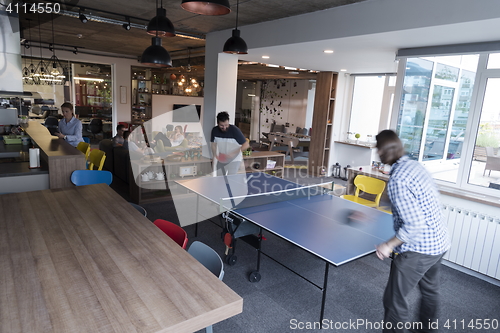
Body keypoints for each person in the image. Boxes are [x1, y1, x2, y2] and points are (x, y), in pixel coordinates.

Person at [374, 130, 450, 333]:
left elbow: (414, 225)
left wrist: (388, 244)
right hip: (439, 242)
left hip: (418, 249)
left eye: (377, 148)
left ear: (383, 150)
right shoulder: (414, 165)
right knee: (430, 291)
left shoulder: (398, 179)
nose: (376, 152)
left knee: (394, 300)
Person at [211, 111, 250, 175]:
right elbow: (213, 144)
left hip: (234, 159)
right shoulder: (214, 131)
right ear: (217, 123)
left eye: (226, 125)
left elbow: (246, 145)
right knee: (219, 178)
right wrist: (215, 155)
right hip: (222, 158)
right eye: (221, 125)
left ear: (228, 122)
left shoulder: (235, 130)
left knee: (231, 179)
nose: (224, 127)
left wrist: (232, 154)